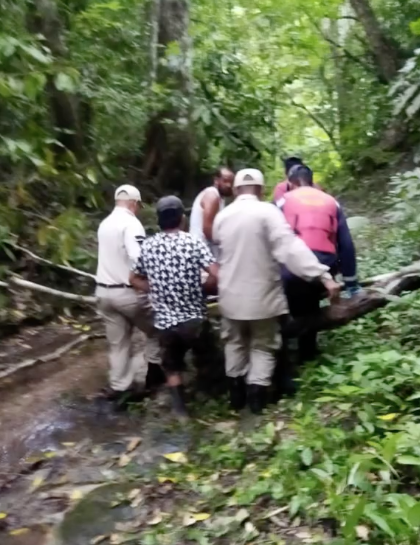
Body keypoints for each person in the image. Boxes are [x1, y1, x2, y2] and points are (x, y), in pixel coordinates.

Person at [213, 168, 341, 415]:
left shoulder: (223, 217)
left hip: (229, 298)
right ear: (261, 190)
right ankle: (256, 403)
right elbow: (290, 249)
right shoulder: (268, 213)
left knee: (235, 343)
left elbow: (221, 248)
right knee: (263, 345)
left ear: (237, 189)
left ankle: (235, 398)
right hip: (263, 298)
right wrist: (323, 276)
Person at [130, 196, 219, 419]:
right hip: (194, 319)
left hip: (165, 322)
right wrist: (204, 288)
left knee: (172, 366)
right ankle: (212, 396)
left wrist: (155, 288)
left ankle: (180, 411)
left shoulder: (148, 246)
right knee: (208, 356)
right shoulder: (193, 242)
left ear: (159, 220)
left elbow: (133, 278)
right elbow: (216, 274)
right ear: (182, 218)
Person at [281, 164, 360, 363]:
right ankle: (307, 350)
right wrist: (351, 283)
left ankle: (287, 350)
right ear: (312, 180)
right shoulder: (332, 202)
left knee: (292, 294)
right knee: (310, 298)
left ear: (290, 184)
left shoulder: (283, 201)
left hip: (292, 267)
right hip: (325, 263)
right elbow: (346, 245)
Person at [96, 184, 164, 403]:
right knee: (157, 329)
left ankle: (119, 387)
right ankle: (153, 379)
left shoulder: (105, 224)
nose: (138, 210)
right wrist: (153, 283)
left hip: (103, 293)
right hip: (126, 293)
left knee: (118, 343)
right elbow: (138, 258)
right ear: (134, 203)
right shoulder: (131, 224)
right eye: (138, 206)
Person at [189, 167, 235, 254]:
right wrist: (224, 243)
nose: (229, 185)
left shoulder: (219, 198)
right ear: (216, 180)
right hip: (202, 249)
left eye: (231, 182)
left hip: (206, 248)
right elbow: (207, 228)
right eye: (225, 181)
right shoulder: (212, 195)